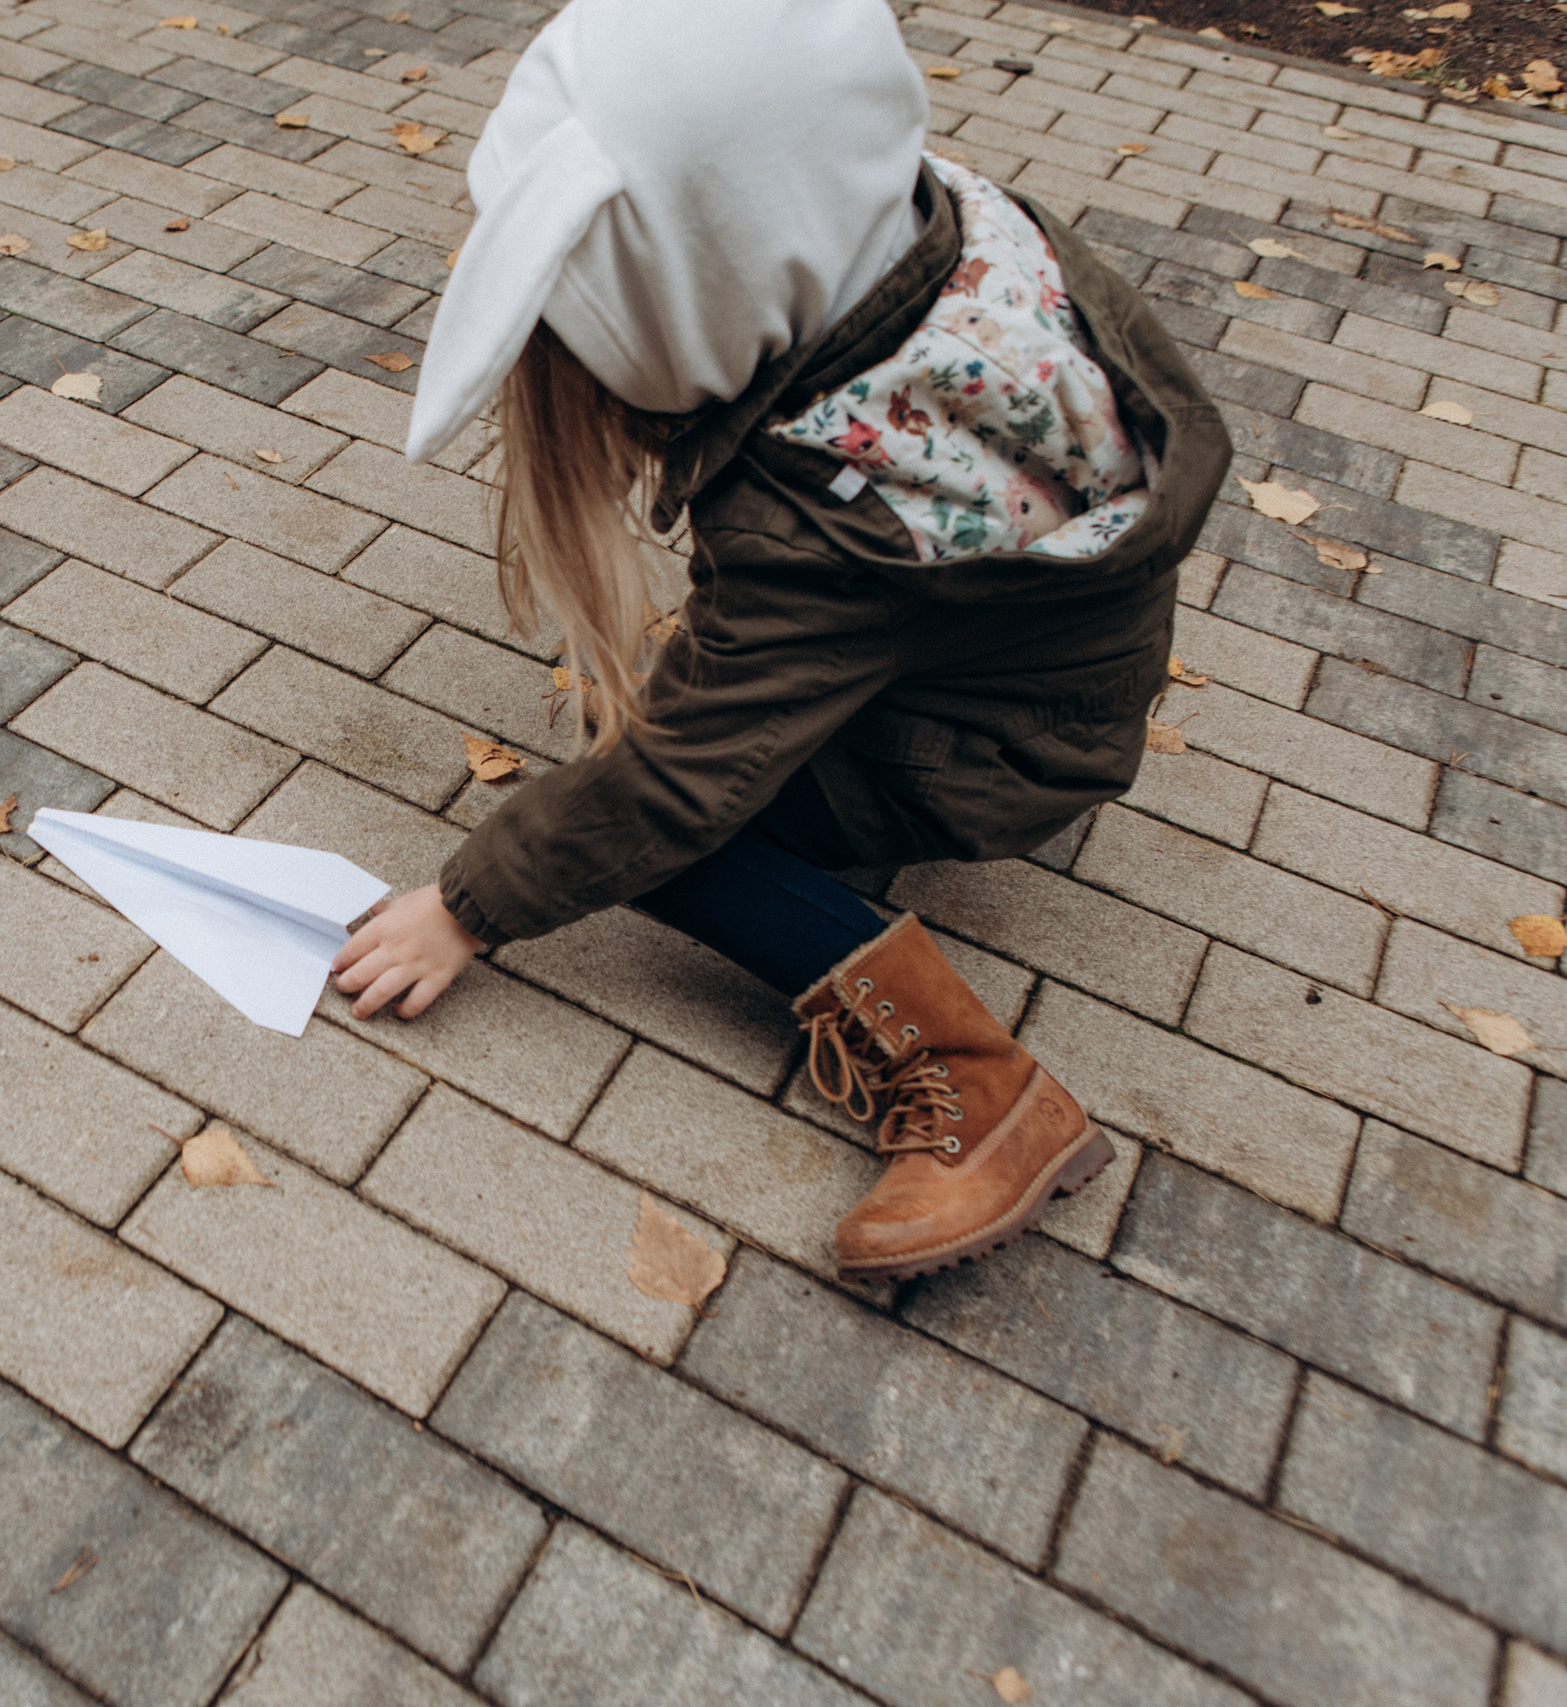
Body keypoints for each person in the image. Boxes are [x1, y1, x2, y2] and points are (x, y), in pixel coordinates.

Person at [329, 0, 1230, 1282]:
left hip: (992, 751)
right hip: (1035, 685)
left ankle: (982, 1091)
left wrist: (464, 909)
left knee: (653, 830)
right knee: (656, 750)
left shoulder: (835, 515)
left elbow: (675, 782)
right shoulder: (941, 234)